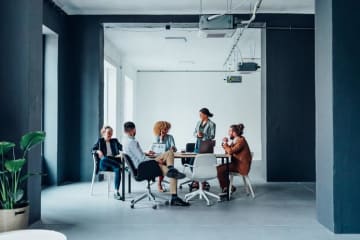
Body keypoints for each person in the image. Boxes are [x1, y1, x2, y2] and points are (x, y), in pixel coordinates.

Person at [123, 121, 190, 206]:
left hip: (141, 165)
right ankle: (174, 197)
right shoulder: (132, 142)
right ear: (134, 129)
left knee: (170, 153)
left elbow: (137, 155)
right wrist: (156, 161)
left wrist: (146, 153)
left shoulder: (126, 140)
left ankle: (170, 168)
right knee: (173, 173)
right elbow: (142, 159)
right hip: (143, 167)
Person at [217, 123, 252, 196]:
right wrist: (225, 143)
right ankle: (228, 187)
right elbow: (228, 151)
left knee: (219, 169)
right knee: (219, 168)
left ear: (234, 133)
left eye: (230, 131)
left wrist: (226, 145)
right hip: (237, 164)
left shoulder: (240, 141)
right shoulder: (236, 140)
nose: (228, 133)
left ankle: (227, 188)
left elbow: (230, 151)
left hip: (240, 166)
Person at [92, 126, 123, 200]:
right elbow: (92, 149)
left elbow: (123, 148)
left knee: (117, 169)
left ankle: (116, 192)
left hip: (113, 162)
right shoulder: (100, 141)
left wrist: (122, 154)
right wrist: (98, 151)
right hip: (104, 163)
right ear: (103, 133)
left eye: (111, 133)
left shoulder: (114, 141)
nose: (110, 135)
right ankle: (119, 165)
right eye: (108, 133)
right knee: (104, 159)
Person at [192, 107, 216, 190]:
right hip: (198, 144)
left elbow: (212, 136)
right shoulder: (198, 122)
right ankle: (196, 180)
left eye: (201, 114)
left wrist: (204, 135)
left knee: (204, 163)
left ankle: (203, 182)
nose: (200, 116)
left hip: (206, 145)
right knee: (194, 162)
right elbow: (194, 132)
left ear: (205, 115)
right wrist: (197, 135)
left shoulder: (212, 124)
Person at [151, 121, 177, 192]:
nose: (167, 131)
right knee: (162, 163)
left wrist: (173, 148)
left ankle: (161, 181)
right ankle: (159, 183)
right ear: (160, 129)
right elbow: (158, 149)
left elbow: (174, 147)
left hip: (168, 157)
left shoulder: (170, 137)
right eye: (165, 129)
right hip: (159, 157)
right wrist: (161, 139)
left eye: (167, 129)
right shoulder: (157, 137)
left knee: (164, 163)